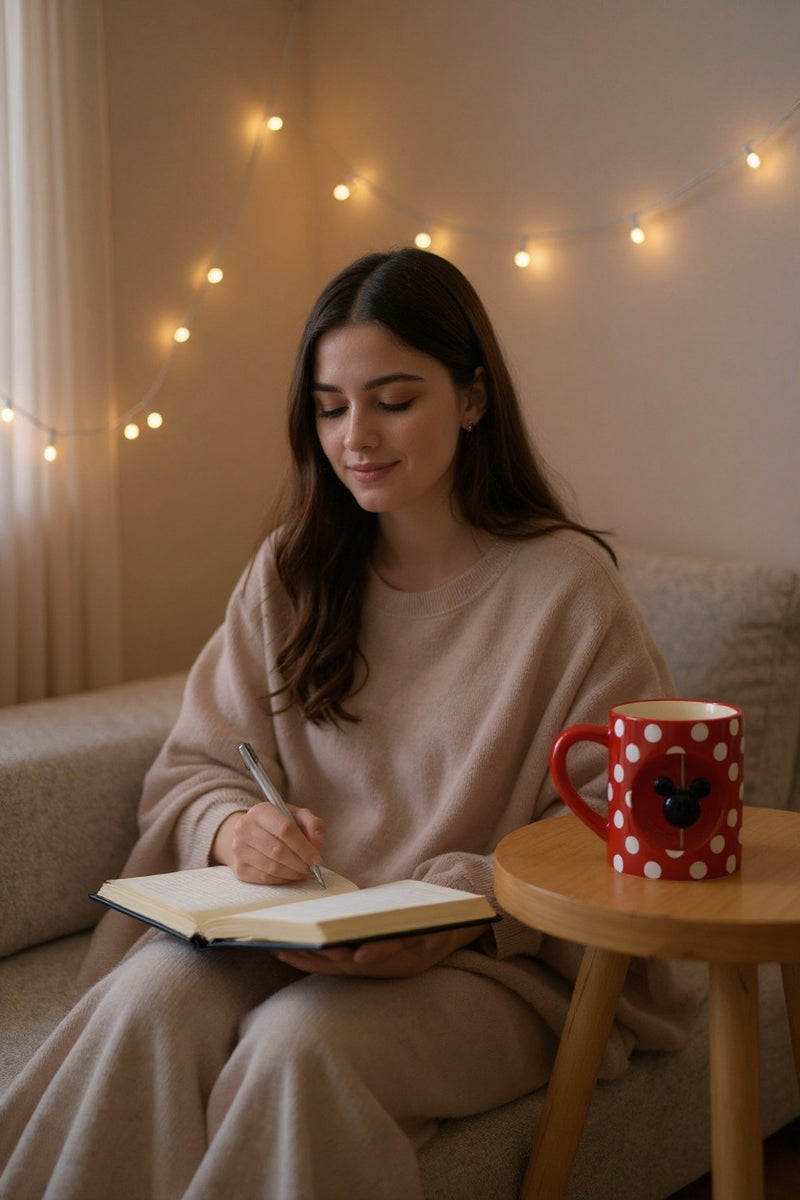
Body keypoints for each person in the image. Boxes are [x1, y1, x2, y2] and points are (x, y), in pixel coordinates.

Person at [0, 248, 699, 1200]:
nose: (355, 437)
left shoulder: (568, 590)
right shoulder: (293, 570)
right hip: (283, 933)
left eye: (393, 399)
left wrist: (450, 911)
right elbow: (198, 767)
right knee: (148, 1001)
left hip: (499, 962)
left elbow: (618, 835)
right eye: (330, 406)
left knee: (299, 1047)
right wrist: (235, 828)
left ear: (472, 398)